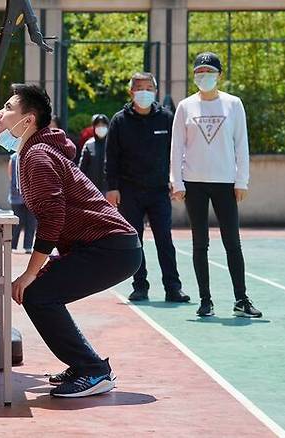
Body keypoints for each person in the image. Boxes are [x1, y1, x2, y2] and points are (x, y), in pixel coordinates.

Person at [0, 84, 141, 398]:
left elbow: (52, 217)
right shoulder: (32, 153)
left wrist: (31, 272)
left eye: (7, 107)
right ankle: (84, 365)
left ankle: (93, 371)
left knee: (36, 293)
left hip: (111, 248)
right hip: (105, 247)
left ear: (28, 120)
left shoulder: (36, 155)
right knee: (41, 293)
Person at [171, 52, 261, 318]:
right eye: (199, 72)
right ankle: (205, 300)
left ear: (219, 75)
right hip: (194, 183)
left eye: (209, 72)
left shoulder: (233, 104)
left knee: (232, 242)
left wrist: (241, 180)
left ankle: (241, 300)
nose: (204, 76)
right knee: (200, 243)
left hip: (225, 182)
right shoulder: (186, 106)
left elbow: (241, 144)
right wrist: (177, 182)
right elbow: (176, 147)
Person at [105, 72, 190, 303]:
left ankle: (173, 287)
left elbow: (178, 153)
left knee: (165, 240)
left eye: (148, 88)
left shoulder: (166, 118)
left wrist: (177, 180)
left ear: (155, 91)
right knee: (135, 241)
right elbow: (111, 157)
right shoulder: (119, 120)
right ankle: (139, 286)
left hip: (159, 191)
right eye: (139, 88)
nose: (144, 92)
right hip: (129, 191)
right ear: (131, 92)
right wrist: (112, 188)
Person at [7, 152, 36, 253]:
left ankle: (11, 246)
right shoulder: (34, 155)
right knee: (31, 222)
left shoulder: (14, 157)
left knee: (16, 222)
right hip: (31, 195)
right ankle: (28, 246)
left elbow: (10, 176)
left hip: (16, 194)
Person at [79, 114, 109, 193]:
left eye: (103, 125)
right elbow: (82, 170)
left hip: (109, 191)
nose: (101, 128)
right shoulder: (89, 145)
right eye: (98, 125)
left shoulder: (113, 144)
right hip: (91, 190)